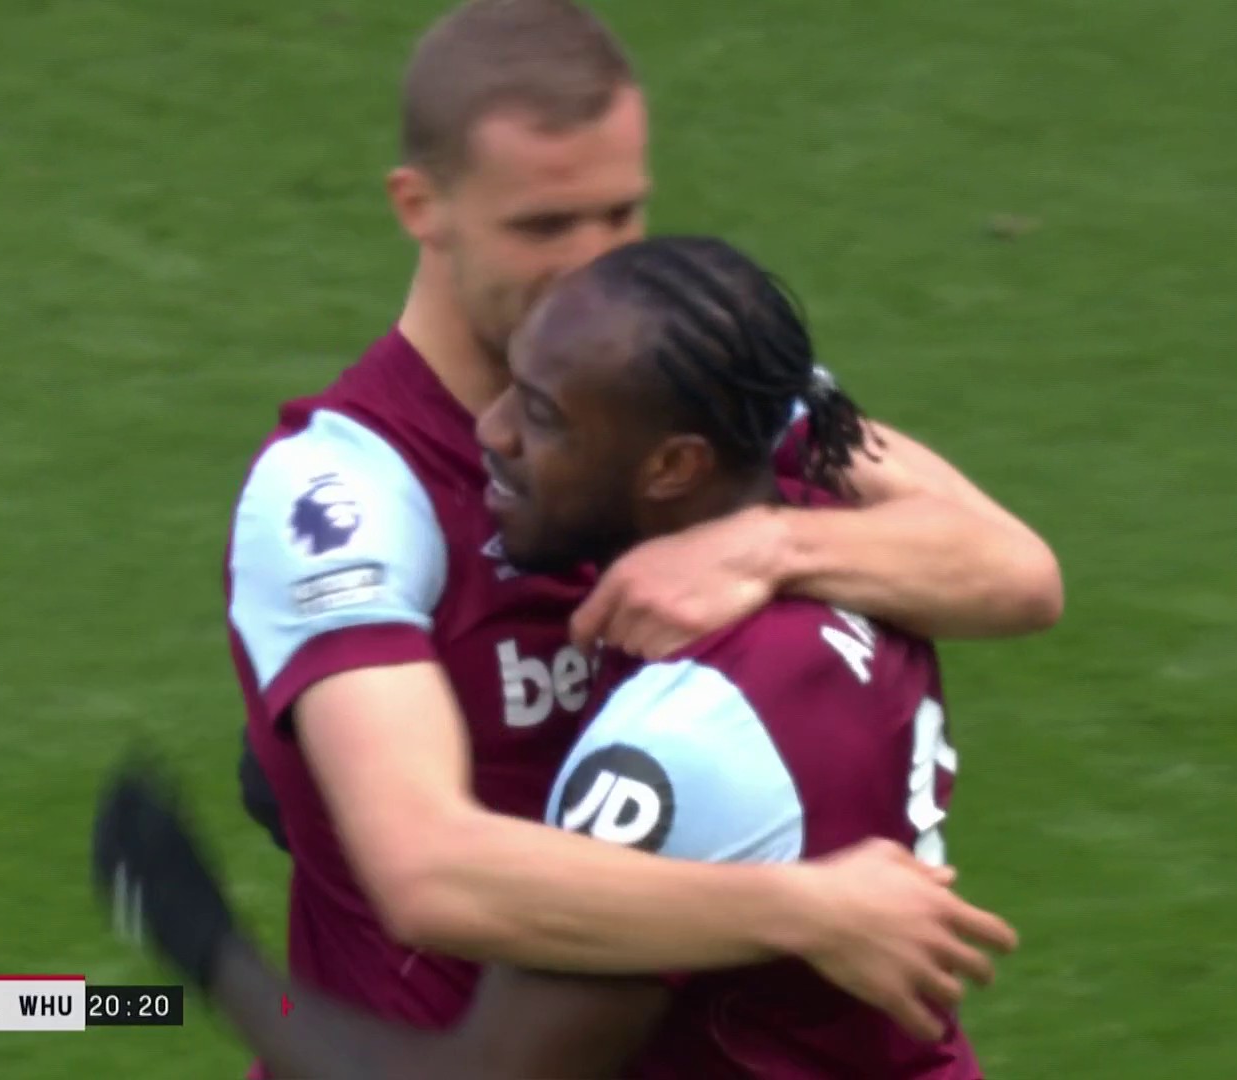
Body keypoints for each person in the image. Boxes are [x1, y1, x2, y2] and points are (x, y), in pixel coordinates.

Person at [225, 0, 1062, 1051]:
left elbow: (1014, 569)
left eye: (619, 216)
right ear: (422, 206)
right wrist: (810, 907)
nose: (591, 265)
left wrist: (771, 544)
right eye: (542, 226)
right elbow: (427, 869)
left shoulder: (686, 385)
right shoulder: (344, 493)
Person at [102, 235, 1010, 1077]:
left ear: (671, 467)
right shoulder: (842, 550)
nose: (491, 432)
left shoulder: (684, 744)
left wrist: (204, 940)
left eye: (541, 416)